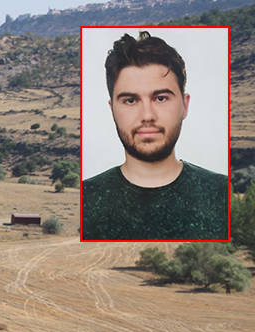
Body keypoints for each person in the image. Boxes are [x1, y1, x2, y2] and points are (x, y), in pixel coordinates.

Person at [82, 31, 228, 240]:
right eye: (130, 101)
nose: (147, 116)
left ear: (185, 106)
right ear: (112, 109)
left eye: (160, 98)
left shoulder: (222, 194)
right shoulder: (86, 198)